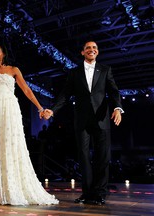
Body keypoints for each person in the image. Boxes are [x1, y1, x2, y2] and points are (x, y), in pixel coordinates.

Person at [0, 42, 58, 205]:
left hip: (10, 110)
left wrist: (40, 108)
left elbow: (26, 90)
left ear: (3, 53)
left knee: (9, 145)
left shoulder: (14, 70)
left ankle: (11, 186)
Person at [43, 40, 123, 205]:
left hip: (101, 119)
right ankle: (87, 193)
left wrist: (117, 108)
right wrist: (53, 110)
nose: (91, 49)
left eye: (94, 48)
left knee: (102, 157)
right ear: (82, 52)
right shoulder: (74, 72)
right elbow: (65, 94)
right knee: (84, 157)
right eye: (88, 48)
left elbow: (114, 91)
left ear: (98, 52)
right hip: (82, 120)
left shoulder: (106, 70)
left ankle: (100, 193)